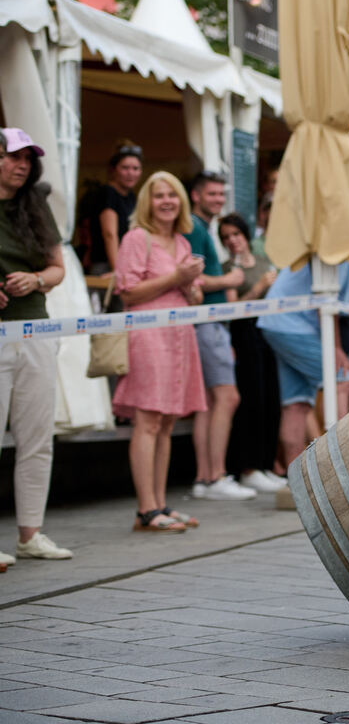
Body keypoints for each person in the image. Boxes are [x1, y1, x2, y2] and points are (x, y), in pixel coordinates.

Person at [112, 171, 206, 533]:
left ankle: (159, 504)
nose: (167, 201)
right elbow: (128, 292)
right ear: (147, 203)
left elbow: (191, 293)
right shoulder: (137, 238)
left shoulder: (182, 243)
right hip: (149, 335)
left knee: (167, 422)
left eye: (173, 194)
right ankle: (146, 508)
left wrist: (191, 285)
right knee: (148, 420)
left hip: (180, 336)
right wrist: (177, 278)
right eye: (158, 195)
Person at [0, 128, 72, 564]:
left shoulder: (35, 203)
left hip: (35, 330)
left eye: (29, 157)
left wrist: (37, 279)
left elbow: (58, 268)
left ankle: (31, 534)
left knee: (37, 437)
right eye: (13, 155)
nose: (23, 164)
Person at [185, 171, 253, 502]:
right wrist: (229, 280)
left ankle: (205, 477)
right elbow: (193, 279)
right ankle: (214, 477)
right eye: (211, 194)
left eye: (221, 194)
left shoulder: (201, 228)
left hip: (209, 324)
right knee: (227, 397)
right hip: (207, 323)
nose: (218, 200)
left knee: (209, 403)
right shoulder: (196, 228)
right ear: (196, 196)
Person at [258, 261, 349, 466]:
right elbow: (328, 305)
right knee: (341, 377)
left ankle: (294, 479)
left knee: (296, 403)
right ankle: (345, 463)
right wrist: (336, 348)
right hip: (293, 325)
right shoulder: (340, 251)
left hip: (277, 323)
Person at [218, 213, 285, 494]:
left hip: (267, 332)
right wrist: (258, 288)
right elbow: (234, 309)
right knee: (251, 400)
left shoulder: (262, 263)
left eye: (236, 235)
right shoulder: (227, 269)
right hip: (243, 335)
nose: (233, 241)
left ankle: (264, 463)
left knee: (271, 398)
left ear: (246, 236)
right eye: (226, 237)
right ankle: (247, 466)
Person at [80, 142, 143, 276]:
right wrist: (116, 269)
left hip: (127, 266)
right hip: (107, 266)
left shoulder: (132, 197)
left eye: (135, 168)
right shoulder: (107, 193)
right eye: (125, 168)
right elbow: (110, 234)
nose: (130, 173)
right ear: (114, 170)